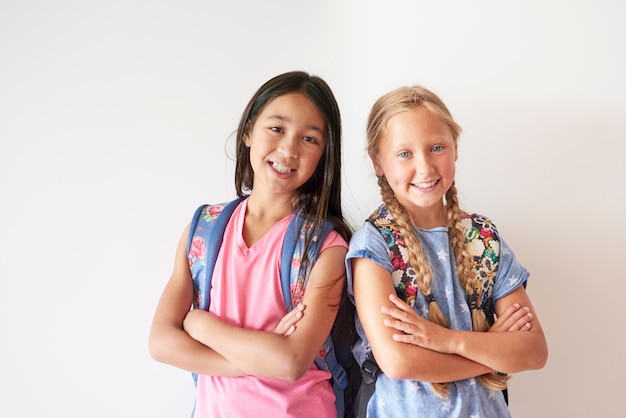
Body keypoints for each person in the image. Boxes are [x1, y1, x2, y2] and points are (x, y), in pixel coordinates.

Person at [149, 71, 353, 418]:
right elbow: (161, 343)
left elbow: (290, 362)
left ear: (324, 155)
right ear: (248, 132)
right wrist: (253, 358)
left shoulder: (327, 249)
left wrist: (202, 326)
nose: (288, 148)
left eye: (309, 139)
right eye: (277, 128)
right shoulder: (203, 232)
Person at [346, 85, 548, 417]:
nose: (425, 167)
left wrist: (444, 340)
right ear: (377, 161)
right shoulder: (375, 244)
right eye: (405, 153)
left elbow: (534, 351)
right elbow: (398, 361)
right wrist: (489, 354)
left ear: (455, 149)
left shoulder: (483, 238)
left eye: (436, 147)